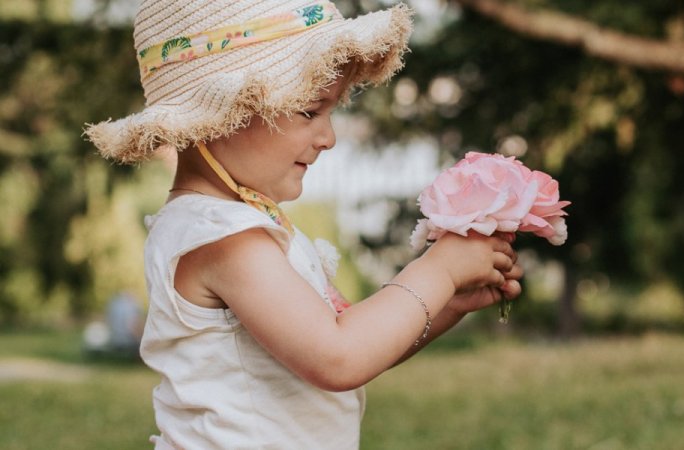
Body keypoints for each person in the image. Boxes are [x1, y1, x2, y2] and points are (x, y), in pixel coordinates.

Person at [85, 1, 524, 448]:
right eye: (310, 112)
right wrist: (440, 270)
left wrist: (448, 300)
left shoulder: (239, 220)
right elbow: (338, 358)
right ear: (219, 115)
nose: (328, 138)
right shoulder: (222, 238)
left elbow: (356, 342)